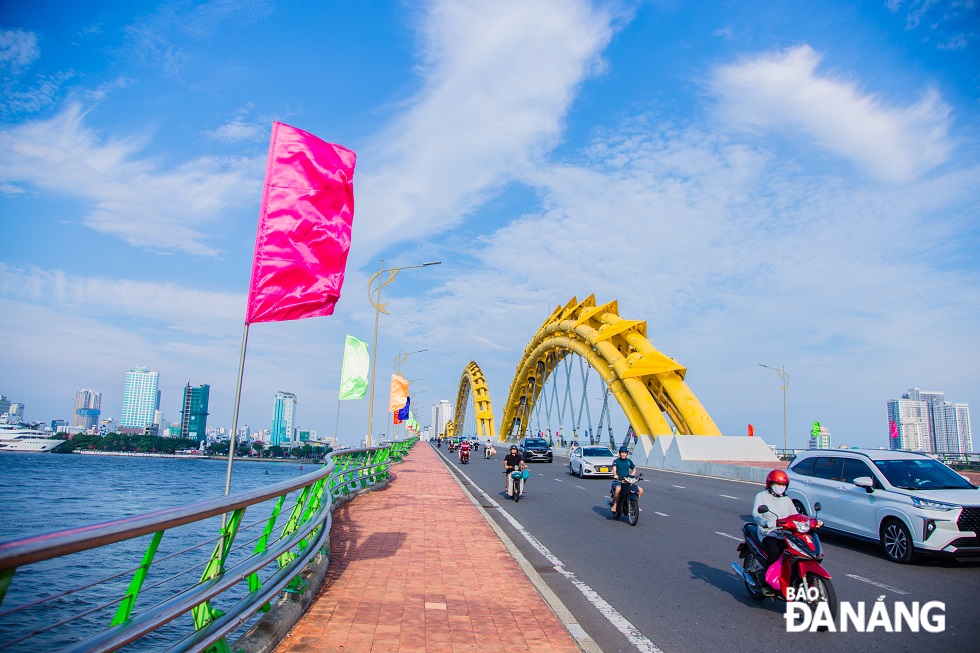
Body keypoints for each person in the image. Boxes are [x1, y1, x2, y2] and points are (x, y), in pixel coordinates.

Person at [752, 469, 797, 589]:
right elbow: (756, 514)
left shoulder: (786, 499)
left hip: (783, 533)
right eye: (778, 484)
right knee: (775, 551)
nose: (780, 487)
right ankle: (767, 581)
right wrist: (766, 522)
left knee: (794, 552)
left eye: (783, 484)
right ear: (770, 484)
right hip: (767, 533)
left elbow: (795, 515)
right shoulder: (761, 496)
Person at [610, 446, 643, 511]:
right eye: (622, 453)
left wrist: (631, 475)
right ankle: (615, 504)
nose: (623, 454)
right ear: (620, 453)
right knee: (618, 489)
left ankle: (635, 504)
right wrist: (615, 475)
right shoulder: (616, 461)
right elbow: (614, 469)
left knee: (640, 490)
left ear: (627, 454)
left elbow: (634, 469)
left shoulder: (629, 461)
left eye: (625, 453)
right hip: (619, 480)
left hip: (627, 480)